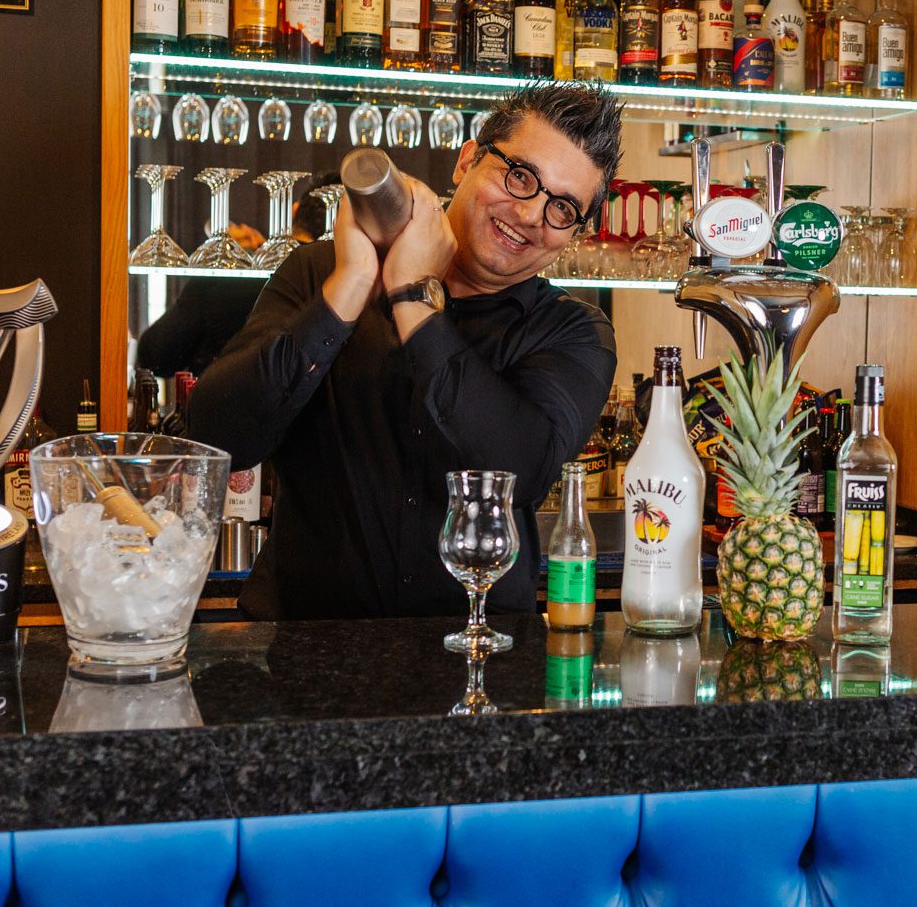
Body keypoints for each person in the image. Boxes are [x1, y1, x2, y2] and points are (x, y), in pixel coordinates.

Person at [187, 85, 622, 620]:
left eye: (563, 207)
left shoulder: (574, 333)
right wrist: (350, 284)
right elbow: (216, 439)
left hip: (479, 649)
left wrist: (412, 295)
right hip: (302, 647)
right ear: (468, 160)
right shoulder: (320, 272)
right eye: (520, 176)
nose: (532, 213)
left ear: (574, 233)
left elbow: (519, 473)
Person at [135, 176, 340, 378]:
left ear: (293, 211)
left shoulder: (226, 279)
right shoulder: (342, 285)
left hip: (222, 397)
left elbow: (154, 356)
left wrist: (220, 262)